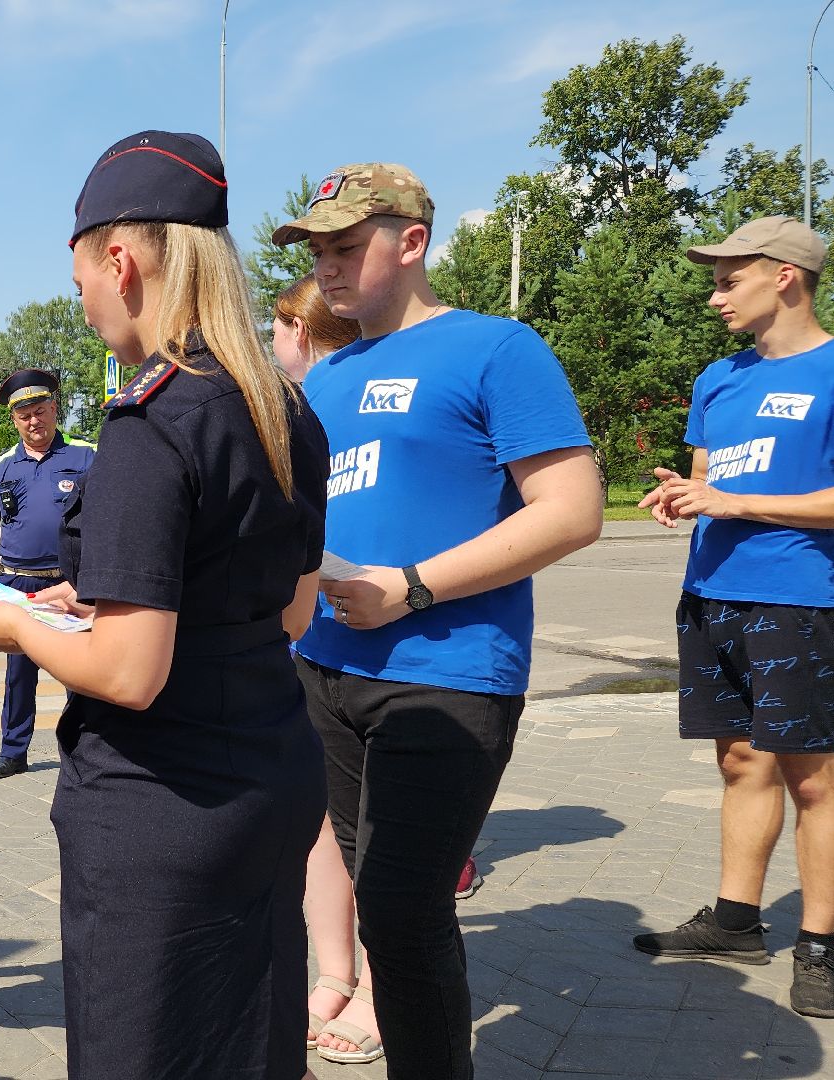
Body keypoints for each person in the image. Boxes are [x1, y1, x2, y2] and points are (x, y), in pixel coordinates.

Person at [0, 129, 330, 1079]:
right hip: (272, 774)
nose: (82, 299)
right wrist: (112, 601)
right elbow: (288, 615)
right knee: (252, 1040)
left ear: (118, 259)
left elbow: (131, 671)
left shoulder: (150, 424)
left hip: (165, 808)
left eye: (79, 273)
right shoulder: (285, 410)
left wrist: (16, 624)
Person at [272, 163, 602, 1078]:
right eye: (319, 252)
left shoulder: (498, 349)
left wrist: (409, 586)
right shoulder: (328, 377)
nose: (328, 268)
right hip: (325, 672)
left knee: (404, 909)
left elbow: (572, 509)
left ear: (411, 243)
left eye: (346, 247)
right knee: (381, 900)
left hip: (448, 674)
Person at [632, 215, 834, 1019]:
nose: (714, 295)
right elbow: (708, 479)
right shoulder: (718, 378)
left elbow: (745, 493)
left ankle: (820, 944)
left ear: (784, 275)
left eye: (729, 279)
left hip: (803, 600)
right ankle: (736, 920)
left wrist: (735, 501)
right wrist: (682, 497)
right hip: (714, 594)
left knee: (815, 779)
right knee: (740, 763)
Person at [273, 276, 385, 1063]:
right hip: (314, 641)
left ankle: (378, 991)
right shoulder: (295, 412)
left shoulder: (351, 401)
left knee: (375, 836)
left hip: (394, 646)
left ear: (302, 333)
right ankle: (335, 971)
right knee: (322, 825)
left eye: (277, 328)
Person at [0, 368, 95, 779]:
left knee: (80, 673)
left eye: (40, 411)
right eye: (24, 415)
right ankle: (13, 750)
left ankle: (86, 751)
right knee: (19, 675)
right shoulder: (3, 466)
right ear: (14, 419)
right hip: (16, 584)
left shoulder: (86, 456)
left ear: (54, 409)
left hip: (72, 585)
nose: (33, 421)